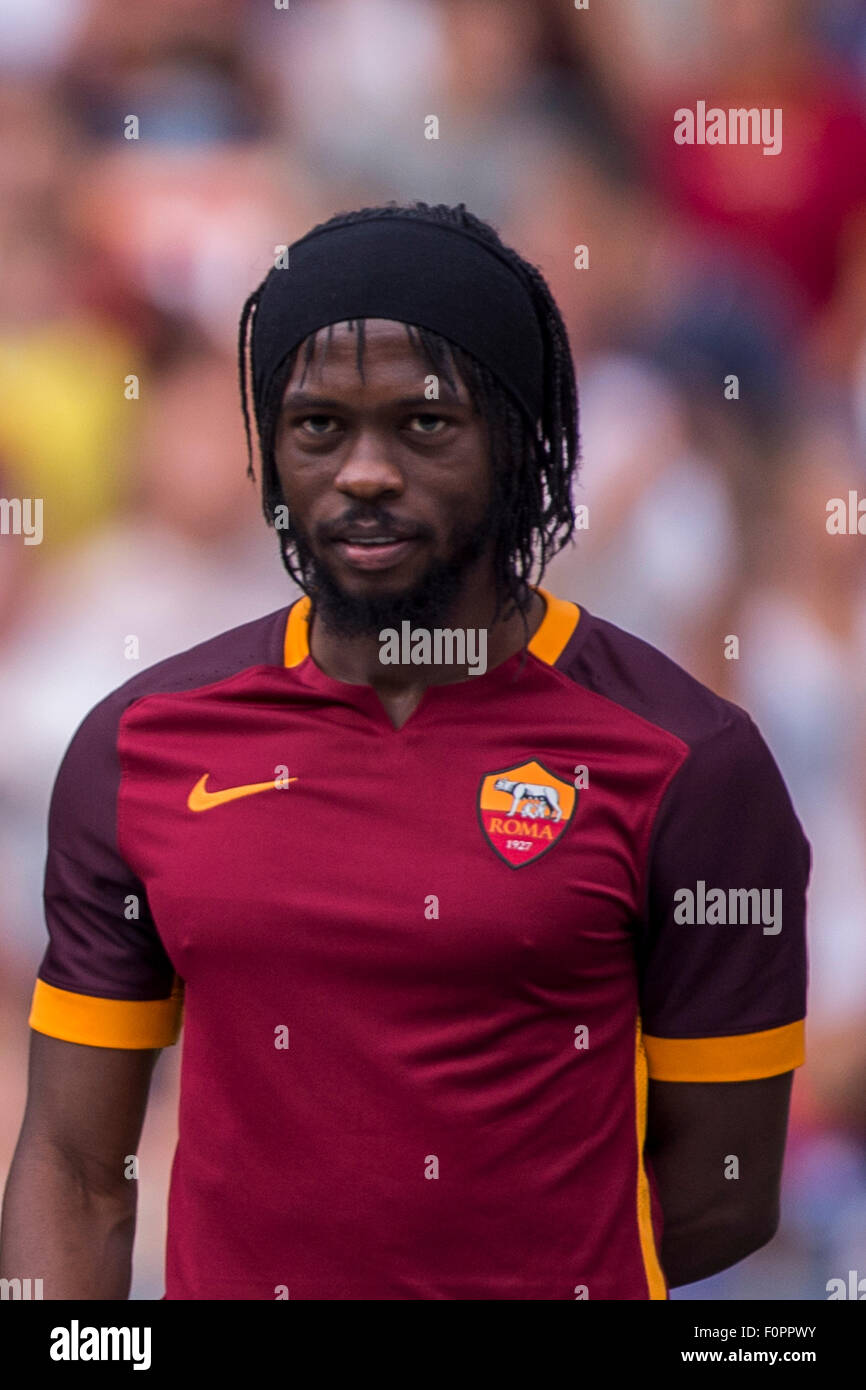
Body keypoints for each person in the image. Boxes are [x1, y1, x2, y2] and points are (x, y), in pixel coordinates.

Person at [0, 202, 809, 1300]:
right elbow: (74, 1165)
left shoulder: (687, 762)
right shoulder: (139, 744)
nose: (364, 472)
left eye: (424, 425)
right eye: (318, 426)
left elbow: (723, 1184)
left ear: (519, 438)